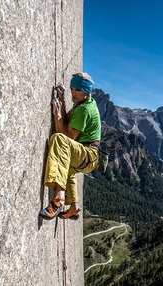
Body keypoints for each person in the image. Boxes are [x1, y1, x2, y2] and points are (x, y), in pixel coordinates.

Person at [39, 72, 101, 220]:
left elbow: (66, 137)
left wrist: (57, 116)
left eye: (78, 90)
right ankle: (74, 208)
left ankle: (58, 199)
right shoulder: (84, 103)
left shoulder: (83, 109)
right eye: (72, 89)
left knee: (58, 140)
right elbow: (69, 122)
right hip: (90, 156)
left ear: (86, 91)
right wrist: (64, 104)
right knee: (68, 170)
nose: (74, 93)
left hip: (87, 154)